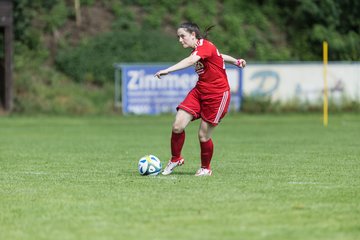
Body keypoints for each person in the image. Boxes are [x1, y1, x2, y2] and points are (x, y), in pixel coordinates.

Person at [154, 22, 246, 176]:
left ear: (193, 35)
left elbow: (191, 61)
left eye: (182, 36)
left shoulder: (204, 46)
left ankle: (205, 168)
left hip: (217, 96)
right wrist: (236, 61)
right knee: (177, 126)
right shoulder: (199, 49)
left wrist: (167, 70)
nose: (180, 40)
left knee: (203, 135)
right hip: (199, 92)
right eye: (178, 37)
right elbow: (220, 56)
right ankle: (176, 158)